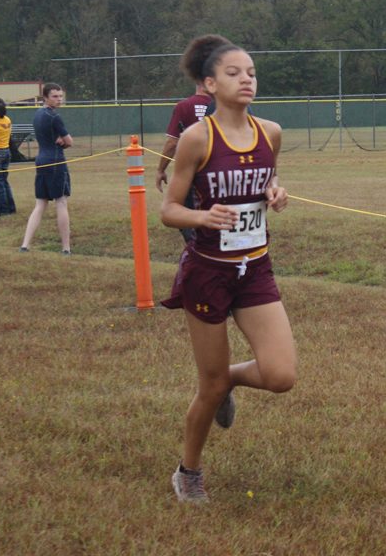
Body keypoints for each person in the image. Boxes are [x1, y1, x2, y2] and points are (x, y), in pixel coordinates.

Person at [161, 34, 297, 503]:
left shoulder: (271, 132)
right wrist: (203, 216)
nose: (246, 80)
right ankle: (188, 470)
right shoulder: (197, 138)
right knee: (207, 386)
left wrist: (276, 191)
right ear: (209, 84)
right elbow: (169, 209)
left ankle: (231, 380)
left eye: (252, 72)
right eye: (235, 73)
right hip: (208, 271)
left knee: (281, 376)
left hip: (255, 268)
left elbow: (268, 176)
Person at [156, 83, 213, 243]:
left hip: (193, 174)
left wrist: (161, 169)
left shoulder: (184, 106)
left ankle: (198, 250)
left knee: (187, 218)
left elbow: (172, 143)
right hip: (220, 172)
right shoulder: (223, 106)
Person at [21, 83, 73, 254]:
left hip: (41, 160)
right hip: (55, 162)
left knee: (40, 203)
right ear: (45, 97)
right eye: (55, 96)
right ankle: (66, 248)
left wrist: (59, 140)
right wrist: (63, 142)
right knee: (61, 202)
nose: (59, 99)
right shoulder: (54, 117)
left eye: (60, 96)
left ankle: (25, 245)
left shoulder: (37, 114)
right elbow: (69, 141)